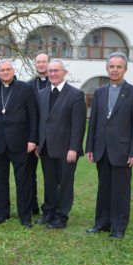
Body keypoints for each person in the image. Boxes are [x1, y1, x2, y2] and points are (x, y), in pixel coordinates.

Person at [85, 52, 133, 239]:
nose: (114, 69)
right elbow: (93, 121)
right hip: (101, 149)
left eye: (119, 66)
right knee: (103, 188)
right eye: (111, 66)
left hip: (122, 151)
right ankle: (102, 223)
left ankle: (118, 227)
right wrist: (89, 147)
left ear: (125, 69)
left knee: (120, 190)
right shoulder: (99, 92)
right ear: (107, 68)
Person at [0, 59, 38, 228]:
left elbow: (33, 116)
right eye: (2, 70)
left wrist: (32, 140)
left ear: (13, 71)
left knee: (23, 180)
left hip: (20, 143)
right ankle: (2, 213)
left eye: (8, 69)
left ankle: (25, 215)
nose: (5, 72)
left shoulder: (25, 89)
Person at [35, 59, 86, 229]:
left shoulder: (75, 95)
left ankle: (61, 216)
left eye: (56, 70)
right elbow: (41, 122)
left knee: (64, 183)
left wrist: (74, 148)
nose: (53, 74)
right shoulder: (41, 94)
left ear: (65, 73)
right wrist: (38, 145)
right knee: (49, 182)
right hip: (46, 148)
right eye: (50, 71)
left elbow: (78, 125)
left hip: (66, 149)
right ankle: (48, 212)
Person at [27, 52, 51, 216]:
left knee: (51, 176)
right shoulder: (29, 85)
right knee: (29, 174)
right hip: (33, 137)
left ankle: (50, 207)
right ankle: (32, 205)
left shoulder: (56, 82)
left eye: (44, 62)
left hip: (51, 137)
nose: (41, 65)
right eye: (38, 62)